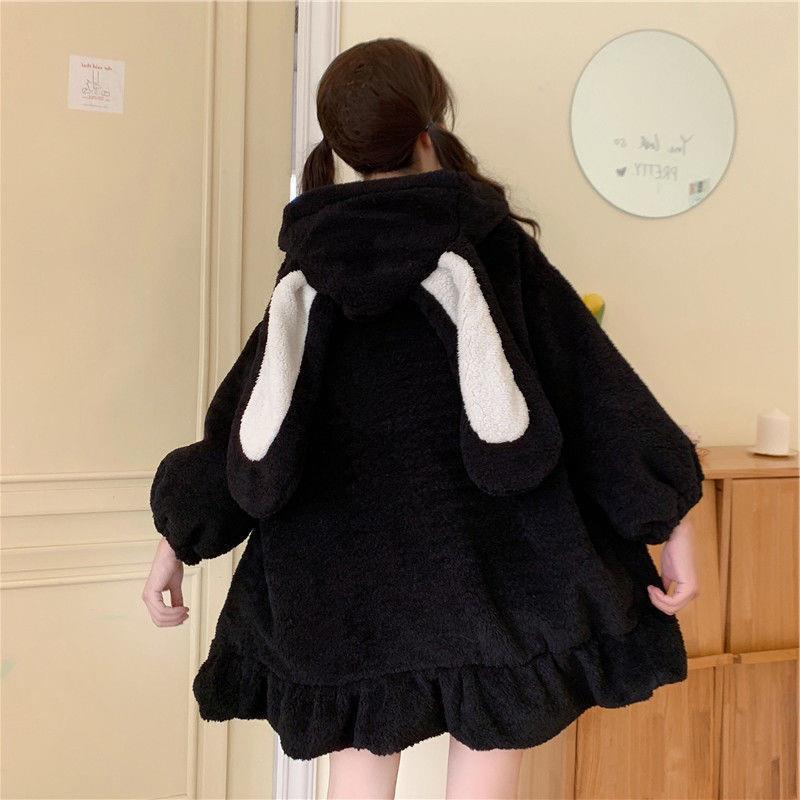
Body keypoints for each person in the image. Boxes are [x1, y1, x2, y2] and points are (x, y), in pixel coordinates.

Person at [142, 37, 703, 800]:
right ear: (428, 130)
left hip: (339, 585)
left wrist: (176, 542)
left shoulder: (309, 268)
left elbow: (246, 418)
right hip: (492, 574)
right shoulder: (490, 246)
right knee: (488, 758)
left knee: (355, 772)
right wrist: (672, 523)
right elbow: (593, 388)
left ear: (342, 148)